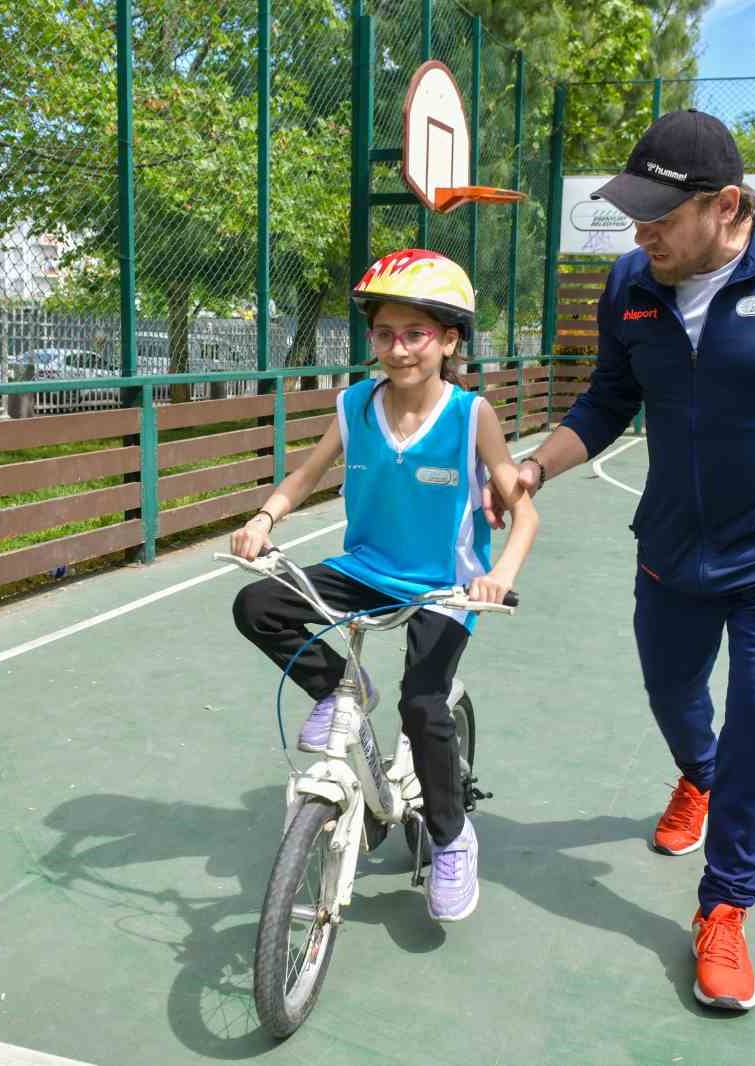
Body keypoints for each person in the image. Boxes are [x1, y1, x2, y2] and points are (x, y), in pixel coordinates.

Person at [487, 109, 755, 1010]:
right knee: (673, 694)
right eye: (632, 216)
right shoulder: (632, 284)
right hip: (673, 546)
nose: (639, 235)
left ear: (727, 206)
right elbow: (608, 399)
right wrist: (533, 468)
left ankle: (725, 905)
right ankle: (700, 776)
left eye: (658, 217)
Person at [230, 249, 540, 923]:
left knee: (422, 705)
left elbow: (525, 514)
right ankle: (342, 687)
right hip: (365, 569)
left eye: (416, 334)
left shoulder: (471, 415)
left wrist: (499, 576)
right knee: (257, 604)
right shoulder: (353, 405)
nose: (398, 349)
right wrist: (263, 519)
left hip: (445, 585)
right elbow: (304, 475)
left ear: (449, 340)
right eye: (384, 334)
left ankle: (452, 839)